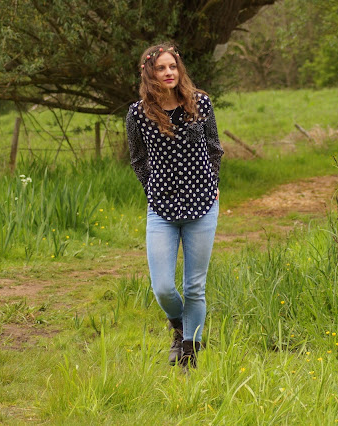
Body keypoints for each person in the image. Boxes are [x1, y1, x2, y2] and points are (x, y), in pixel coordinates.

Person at [126, 42, 223, 370]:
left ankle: (189, 352)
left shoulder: (201, 103)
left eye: (173, 66)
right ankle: (180, 328)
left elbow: (214, 148)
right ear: (149, 73)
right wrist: (151, 189)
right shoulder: (138, 114)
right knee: (164, 286)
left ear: (179, 70)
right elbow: (138, 159)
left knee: (194, 286)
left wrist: (215, 185)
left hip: (202, 206)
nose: (168, 73)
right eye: (161, 68)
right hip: (162, 210)